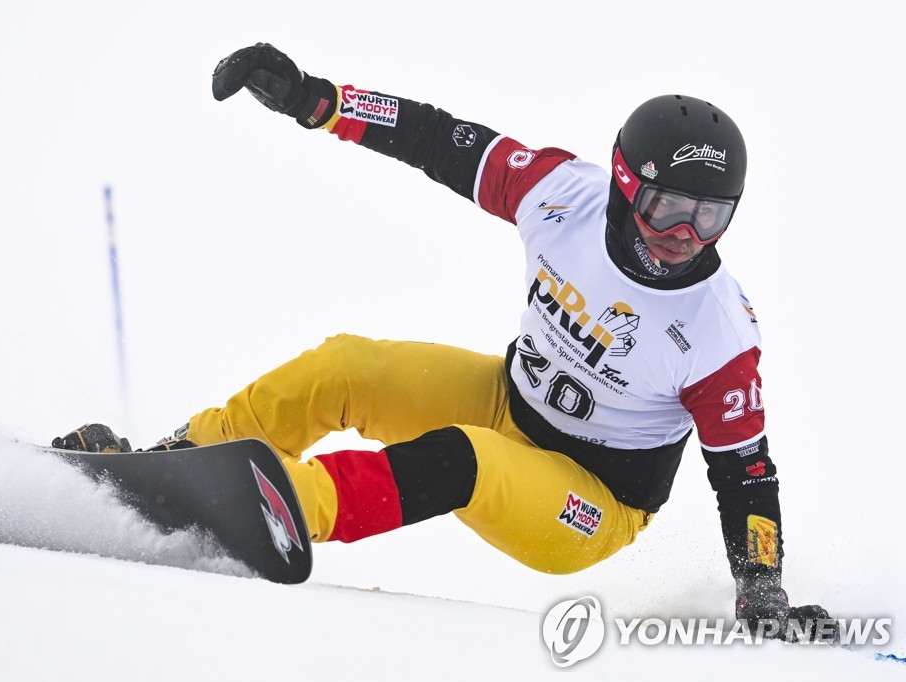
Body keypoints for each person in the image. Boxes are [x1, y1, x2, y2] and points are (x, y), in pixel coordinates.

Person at [56, 43, 834, 641]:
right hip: (511, 400)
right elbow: (441, 140)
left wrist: (761, 588)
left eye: (711, 216)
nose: (684, 236)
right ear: (627, 183)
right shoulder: (561, 194)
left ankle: (288, 506)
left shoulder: (717, 329)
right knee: (349, 366)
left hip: (590, 503)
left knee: (462, 457)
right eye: (667, 206)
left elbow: (747, 475)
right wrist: (318, 101)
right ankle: (163, 465)